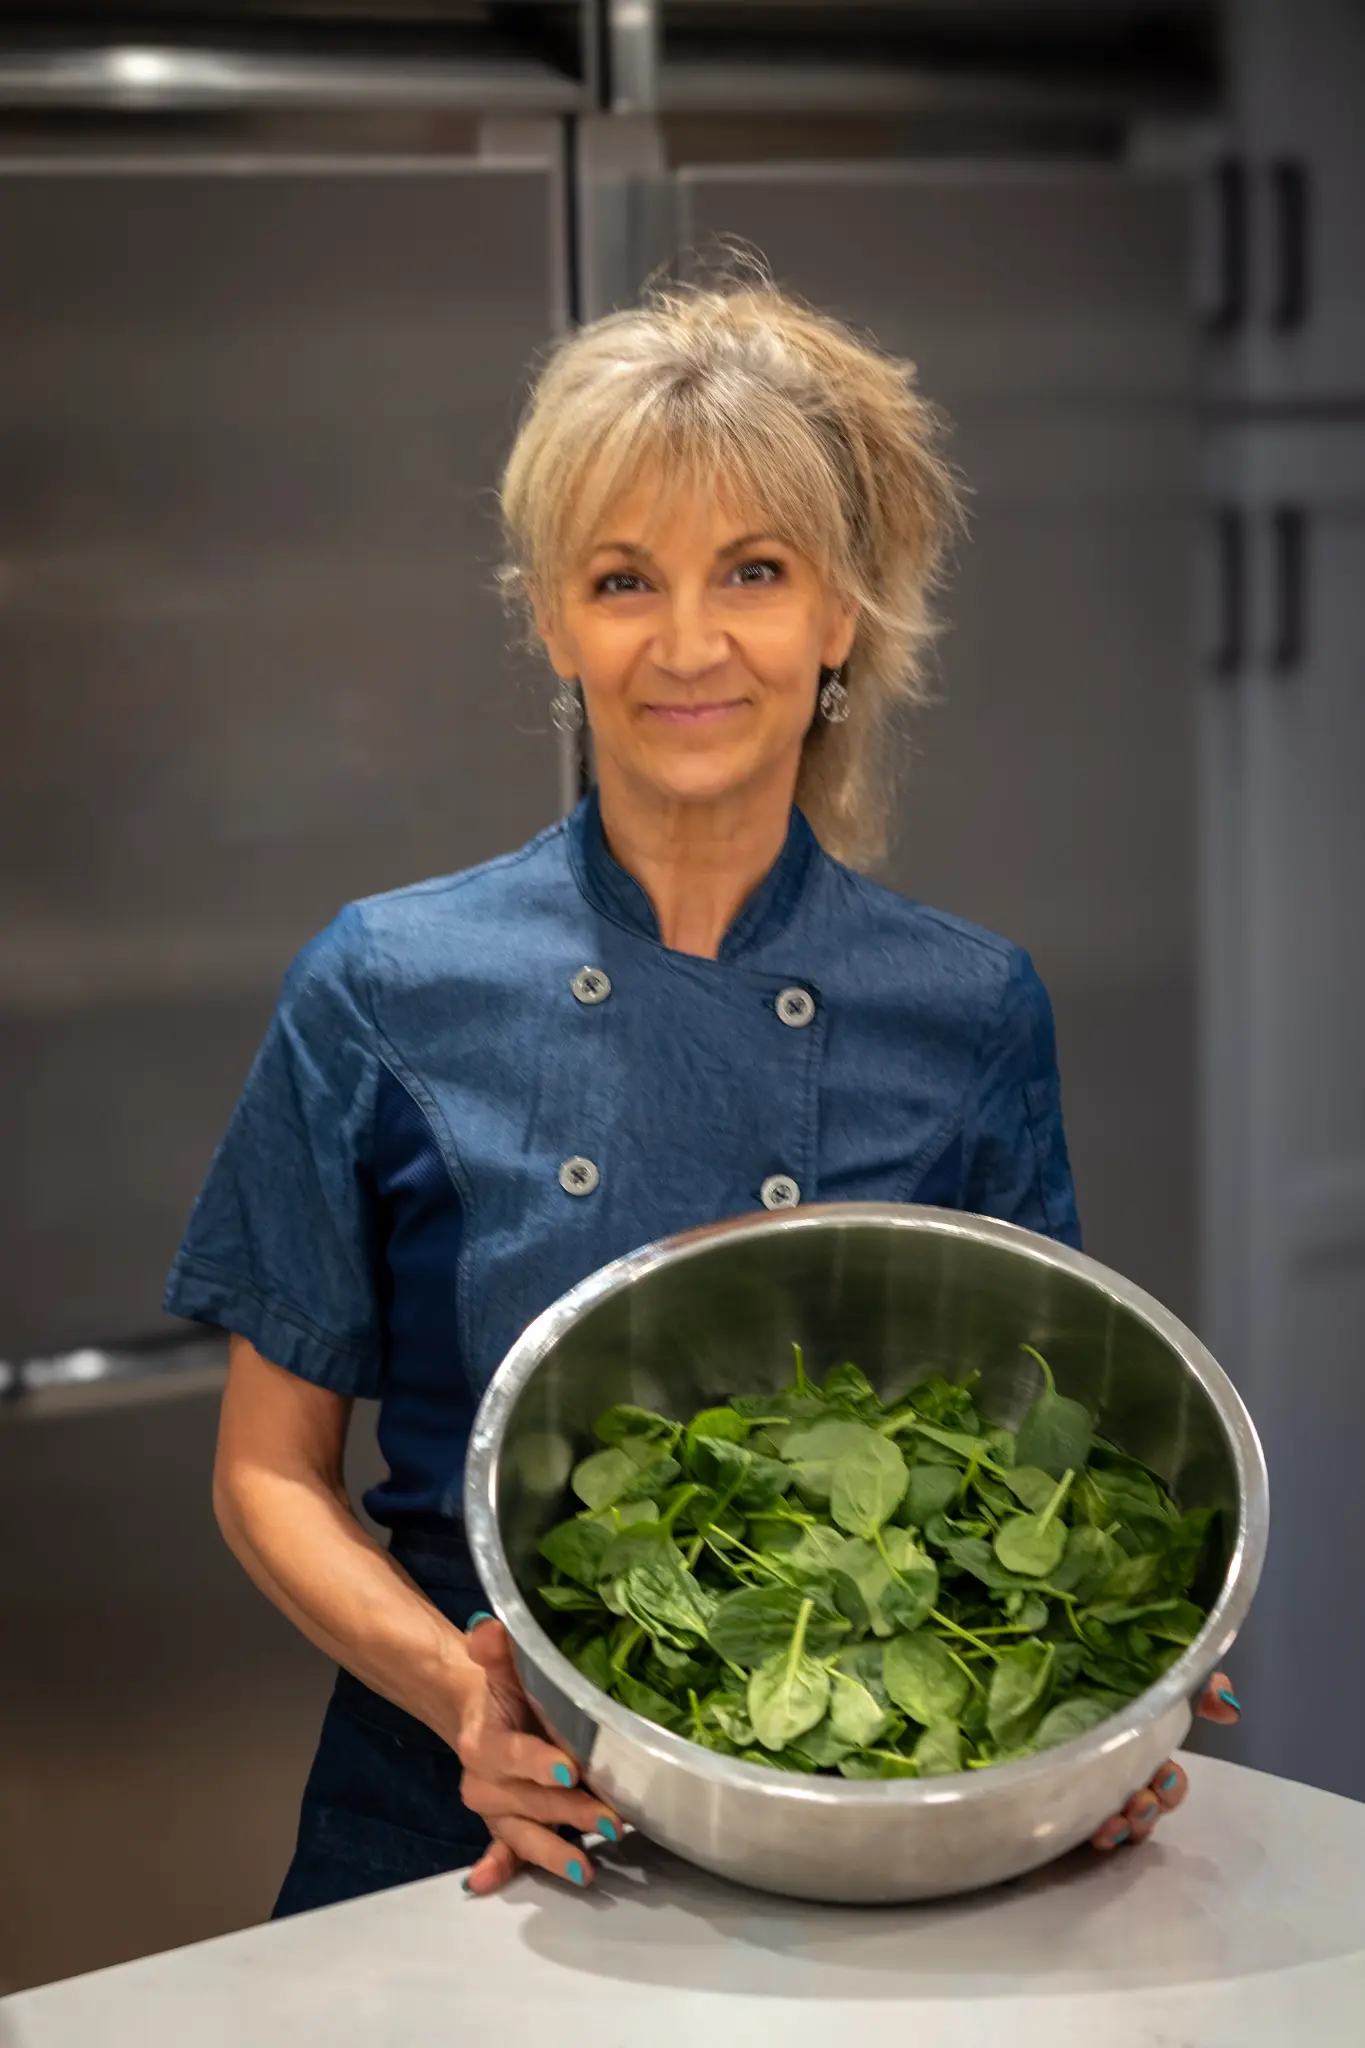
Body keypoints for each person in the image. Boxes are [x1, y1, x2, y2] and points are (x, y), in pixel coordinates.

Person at [166, 276, 1239, 1913]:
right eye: (622, 580)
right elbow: (266, 1471)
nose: (685, 644)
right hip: (462, 1817)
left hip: (867, 1817)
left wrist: (1082, 1719)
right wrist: (469, 1693)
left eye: (753, 572)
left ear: (843, 617)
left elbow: (1037, 1471)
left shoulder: (967, 1009)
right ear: (551, 618)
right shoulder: (386, 984)